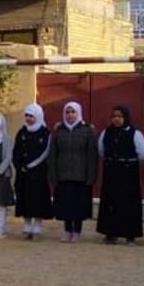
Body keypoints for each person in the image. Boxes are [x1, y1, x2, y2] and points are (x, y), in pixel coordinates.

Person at [96, 106, 144, 245]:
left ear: (125, 117)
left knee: (128, 203)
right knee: (110, 202)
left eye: (119, 116)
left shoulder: (134, 133)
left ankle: (130, 234)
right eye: (114, 116)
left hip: (128, 173)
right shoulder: (106, 132)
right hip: (112, 171)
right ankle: (110, 233)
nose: (116, 119)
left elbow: (143, 153)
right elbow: (101, 150)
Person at [48, 101, 98, 243]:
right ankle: (67, 230)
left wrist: (91, 175)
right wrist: (53, 174)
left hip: (80, 175)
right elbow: (53, 154)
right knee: (66, 205)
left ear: (78, 113)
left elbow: (92, 155)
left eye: (73, 112)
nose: (70, 115)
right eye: (68, 112)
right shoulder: (59, 131)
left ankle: (77, 231)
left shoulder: (87, 131)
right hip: (63, 174)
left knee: (78, 205)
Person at [13, 104, 52, 240]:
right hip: (23, 173)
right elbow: (16, 150)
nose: (29, 119)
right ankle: (27, 224)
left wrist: (32, 165)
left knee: (37, 199)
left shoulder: (45, 133)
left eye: (32, 116)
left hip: (38, 173)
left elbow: (45, 152)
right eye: (27, 116)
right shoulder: (22, 132)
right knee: (24, 197)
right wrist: (19, 165)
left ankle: (37, 226)